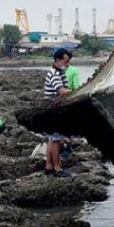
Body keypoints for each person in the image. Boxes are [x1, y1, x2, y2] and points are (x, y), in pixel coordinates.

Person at [42, 48, 71, 177]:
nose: (67, 64)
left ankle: (48, 166)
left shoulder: (60, 72)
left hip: (52, 109)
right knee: (56, 140)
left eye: (68, 61)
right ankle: (57, 168)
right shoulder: (54, 74)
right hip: (53, 110)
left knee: (51, 139)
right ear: (57, 60)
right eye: (65, 61)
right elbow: (62, 91)